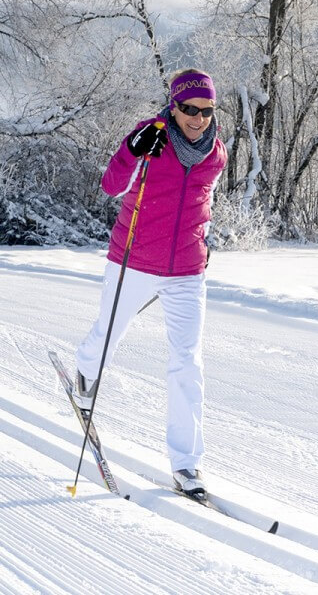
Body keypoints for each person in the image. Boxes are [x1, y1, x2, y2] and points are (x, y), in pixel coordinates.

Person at [74, 69, 227, 497]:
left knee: (187, 363)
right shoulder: (149, 137)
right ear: (174, 106)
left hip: (187, 271)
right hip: (134, 261)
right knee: (108, 334)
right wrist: (130, 150)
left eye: (206, 110)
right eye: (189, 109)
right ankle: (86, 373)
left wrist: (205, 239)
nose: (197, 118)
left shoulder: (216, 152)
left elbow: (203, 201)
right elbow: (111, 186)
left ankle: (187, 465)